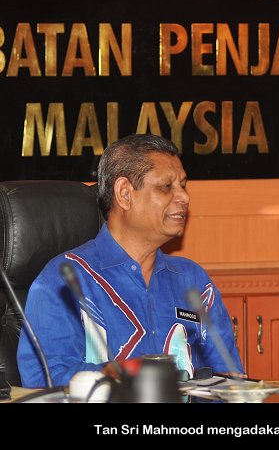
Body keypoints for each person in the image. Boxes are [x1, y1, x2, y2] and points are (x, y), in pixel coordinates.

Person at [17, 134, 244, 387]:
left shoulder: (193, 281)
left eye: (183, 185)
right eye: (166, 186)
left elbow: (228, 380)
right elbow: (44, 382)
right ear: (124, 193)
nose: (184, 197)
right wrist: (133, 376)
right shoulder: (64, 280)